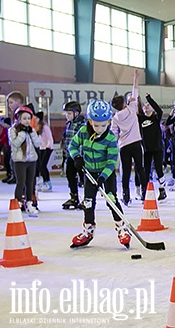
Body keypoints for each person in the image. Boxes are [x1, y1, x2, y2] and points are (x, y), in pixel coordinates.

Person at [69, 99, 130, 249]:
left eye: (103, 125)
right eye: (96, 125)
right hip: (89, 173)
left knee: (112, 200)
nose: (99, 129)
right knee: (88, 202)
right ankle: (88, 230)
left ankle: (122, 228)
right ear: (90, 121)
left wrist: (103, 177)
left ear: (109, 122)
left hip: (106, 175)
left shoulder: (110, 139)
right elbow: (72, 145)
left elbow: (111, 161)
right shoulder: (83, 132)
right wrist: (77, 157)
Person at [111, 71, 147, 205]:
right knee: (140, 168)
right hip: (136, 143)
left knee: (125, 171)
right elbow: (135, 92)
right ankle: (144, 192)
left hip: (124, 146)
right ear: (124, 103)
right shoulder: (132, 109)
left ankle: (126, 195)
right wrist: (135, 79)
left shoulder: (115, 118)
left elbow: (113, 134)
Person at [9, 106, 44, 217]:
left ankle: (29, 203)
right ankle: (18, 203)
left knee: (30, 183)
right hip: (19, 161)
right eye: (24, 118)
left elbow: (38, 144)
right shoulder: (12, 130)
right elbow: (15, 144)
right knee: (21, 182)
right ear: (18, 119)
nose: (27, 121)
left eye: (29, 118)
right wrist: (23, 133)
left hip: (31, 160)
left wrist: (32, 133)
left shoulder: (31, 130)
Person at [138, 93, 167, 201]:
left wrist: (149, 99)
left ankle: (162, 190)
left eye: (148, 105)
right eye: (145, 105)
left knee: (159, 169)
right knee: (146, 171)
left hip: (158, 148)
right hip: (146, 149)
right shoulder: (140, 118)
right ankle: (144, 192)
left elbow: (159, 110)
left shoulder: (156, 117)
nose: (146, 106)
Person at [4, 91, 33, 184]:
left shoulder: (26, 115)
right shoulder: (17, 115)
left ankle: (30, 193)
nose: (9, 105)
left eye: (11, 102)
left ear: (18, 101)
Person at [61, 101, 85, 209]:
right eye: (66, 114)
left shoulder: (82, 124)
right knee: (70, 175)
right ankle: (74, 196)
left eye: (69, 114)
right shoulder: (69, 123)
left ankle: (87, 198)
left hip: (80, 156)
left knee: (83, 178)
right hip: (70, 155)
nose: (67, 116)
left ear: (77, 113)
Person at [35, 112, 54, 192]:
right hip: (41, 148)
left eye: (36, 118)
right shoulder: (37, 127)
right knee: (39, 166)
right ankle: (43, 182)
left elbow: (49, 138)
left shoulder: (45, 127)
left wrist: (48, 146)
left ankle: (48, 183)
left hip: (48, 148)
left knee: (43, 166)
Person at [0, 118, 11, 185]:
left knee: (8, 161)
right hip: (6, 147)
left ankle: (10, 174)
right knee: (6, 161)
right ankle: (8, 174)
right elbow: (2, 136)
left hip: (9, 147)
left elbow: (4, 138)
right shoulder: (5, 129)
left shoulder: (10, 130)